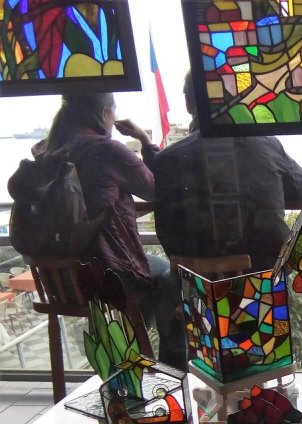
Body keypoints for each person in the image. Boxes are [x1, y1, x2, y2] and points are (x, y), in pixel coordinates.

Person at [33, 94, 187, 368]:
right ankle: (167, 368)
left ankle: (126, 357)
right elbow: (157, 189)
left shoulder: (47, 151)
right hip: (103, 276)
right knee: (168, 278)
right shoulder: (106, 150)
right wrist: (145, 140)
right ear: (105, 113)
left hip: (60, 281)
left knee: (150, 279)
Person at [147, 73, 302, 272]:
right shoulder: (266, 144)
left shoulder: (166, 159)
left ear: (189, 104)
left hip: (195, 285)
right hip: (266, 281)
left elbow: (166, 231)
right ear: (236, 101)